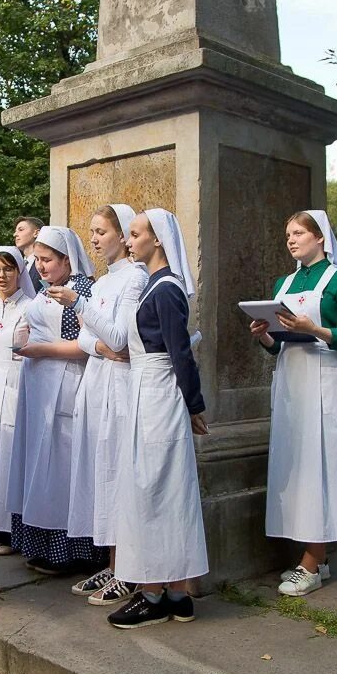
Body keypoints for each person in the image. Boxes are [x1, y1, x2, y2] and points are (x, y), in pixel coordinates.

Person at [250, 210, 337, 598]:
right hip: (291, 384)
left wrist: (313, 328)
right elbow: (279, 342)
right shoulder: (285, 282)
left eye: (298, 233)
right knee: (296, 468)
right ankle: (317, 558)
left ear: (320, 238)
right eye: (287, 235)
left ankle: (311, 564)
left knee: (321, 469)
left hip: (327, 381)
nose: (291, 240)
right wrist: (266, 335)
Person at [107, 209, 209, 629]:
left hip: (158, 395)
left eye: (135, 235)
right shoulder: (152, 285)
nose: (129, 242)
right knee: (161, 489)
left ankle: (154, 593)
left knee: (155, 490)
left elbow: (179, 351)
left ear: (158, 239)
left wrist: (194, 404)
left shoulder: (166, 290)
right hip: (146, 391)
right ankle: (175, 593)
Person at [49, 204, 149, 606]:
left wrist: (78, 303)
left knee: (118, 473)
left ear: (124, 235)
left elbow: (120, 339)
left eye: (101, 231)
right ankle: (111, 559)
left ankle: (131, 566)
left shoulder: (136, 279)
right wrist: (98, 341)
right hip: (98, 381)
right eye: (90, 231)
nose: (93, 238)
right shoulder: (105, 282)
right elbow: (90, 341)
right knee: (99, 472)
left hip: (121, 388)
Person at [8, 226, 100, 580]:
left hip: (67, 386)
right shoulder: (46, 292)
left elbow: (85, 345)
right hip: (39, 385)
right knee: (38, 466)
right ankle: (41, 543)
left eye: (47, 260)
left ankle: (72, 551)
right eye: (38, 260)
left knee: (62, 468)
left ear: (67, 259)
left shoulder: (81, 291)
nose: (41, 267)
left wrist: (41, 349)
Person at [0, 245, 36, 555]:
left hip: (15, 385)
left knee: (10, 458)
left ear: (19, 272)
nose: (2, 276)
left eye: (8, 269)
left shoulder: (28, 307)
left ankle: (12, 531)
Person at [14, 215, 45, 292]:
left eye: (21, 230)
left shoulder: (45, 264)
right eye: (15, 231)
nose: (15, 234)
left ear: (36, 233)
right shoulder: (16, 265)